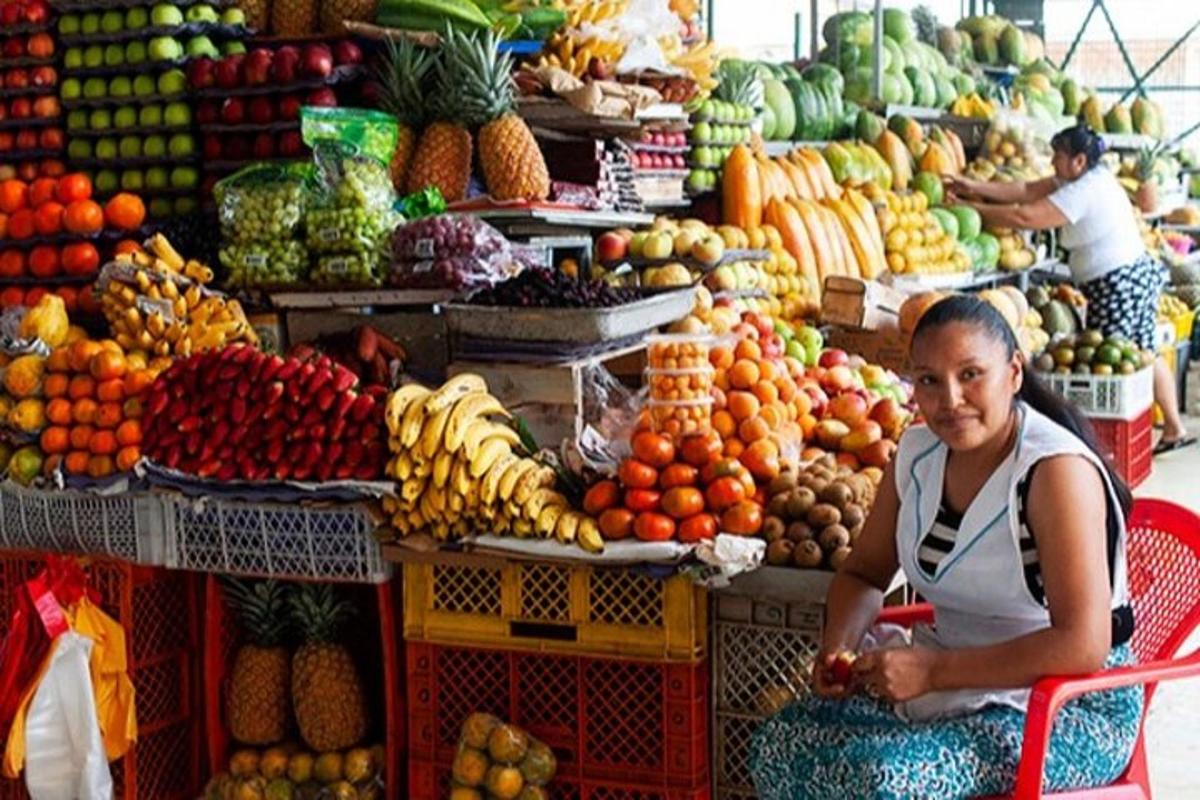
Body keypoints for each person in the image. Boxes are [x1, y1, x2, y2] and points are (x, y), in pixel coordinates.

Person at [749, 295, 1142, 799]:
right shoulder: (917, 455)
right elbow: (864, 574)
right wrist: (838, 648)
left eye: (971, 374)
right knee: (782, 744)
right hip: (952, 675)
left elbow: (1081, 645)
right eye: (929, 381)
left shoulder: (1054, 472)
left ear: (1014, 373)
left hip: (1067, 702)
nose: (950, 399)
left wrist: (934, 672)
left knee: (884, 777)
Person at [945, 123, 1193, 455]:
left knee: (1111, 362)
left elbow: (1027, 216)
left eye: (1059, 156)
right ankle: (1173, 429)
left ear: (1078, 160)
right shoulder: (1083, 178)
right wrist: (970, 185)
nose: (1053, 163)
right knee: (1141, 352)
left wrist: (972, 208)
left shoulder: (1085, 191)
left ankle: (1105, 447)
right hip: (1130, 275)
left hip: (1118, 282)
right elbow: (1023, 189)